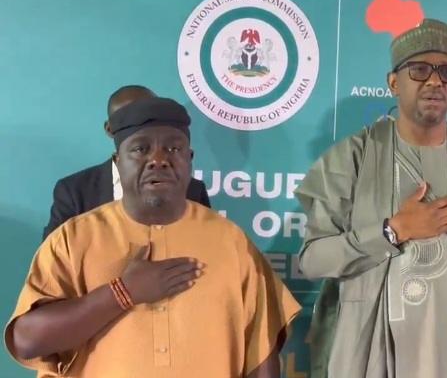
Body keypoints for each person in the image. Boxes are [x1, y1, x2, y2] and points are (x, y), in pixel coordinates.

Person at [295, 18, 447, 378]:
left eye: (446, 71)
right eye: (420, 69)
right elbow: (313, 260)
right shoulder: (352, 158)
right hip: (375, 361)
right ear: (393, 82)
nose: (435, 81)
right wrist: (392, 231)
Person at [6, 97, 299, 377]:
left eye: (173, 148)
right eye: (140, 149)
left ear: (189, 159)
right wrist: (122, 293)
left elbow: (262, 351)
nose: (158, 160)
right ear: (118, 161)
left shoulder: (231, 242)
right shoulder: (73, 239)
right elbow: (26, 341)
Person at [42, 85, 210, 239]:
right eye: (126, 118)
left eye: (150, 115)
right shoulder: (74, 190)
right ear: (110, 129)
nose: (142, 121)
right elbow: (55, 256)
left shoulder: (194, 190)